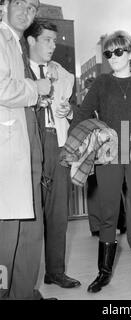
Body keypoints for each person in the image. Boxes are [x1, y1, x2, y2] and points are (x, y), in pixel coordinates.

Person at [69, 30, 131, 293]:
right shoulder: (100, 83)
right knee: (109, 213)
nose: (113, 57)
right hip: (108, 152)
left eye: (119, 51)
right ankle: (103, 273)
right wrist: (87, 137)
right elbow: (81, 116)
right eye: (108, 53)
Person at [0, 0, 51, 300]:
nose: (25, 11)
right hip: (8, 147)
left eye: (32, 8)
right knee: (8, 230)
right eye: (19, 3)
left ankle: (23, 293)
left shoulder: (17, 43)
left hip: (28, 140)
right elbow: (2, 89)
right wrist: (37, 90)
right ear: (4, 5)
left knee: (31, 225)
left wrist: (37, 99)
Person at [24, 20, 81, 289]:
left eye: (55, 41)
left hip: (58, 143)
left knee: (58, 212)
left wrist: (68, 111)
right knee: (30, 214)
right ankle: (25, 279)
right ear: (31, 41)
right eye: (47, 39)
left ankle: (55, 271)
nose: (53, 45)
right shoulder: (17, 71)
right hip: (29, 145)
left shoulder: (64, 75)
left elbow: (75, 110)